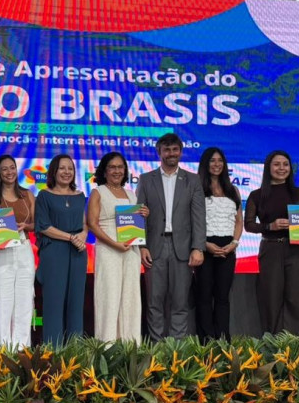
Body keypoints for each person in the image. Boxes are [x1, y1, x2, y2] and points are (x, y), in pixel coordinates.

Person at [136, 133, 206, 341]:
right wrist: (142, 246)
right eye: (166, 150)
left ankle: (177, 349)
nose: (171, 153)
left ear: (181, 152)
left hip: (183, 248)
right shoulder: (146, 179)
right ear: (159, 152)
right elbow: (139, 215)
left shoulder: (193, 180)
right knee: (154, 302)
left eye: (175, 149)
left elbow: (198, 216)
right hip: (154, 248)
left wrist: (198, 247)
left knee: (180, 302)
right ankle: (156, 349)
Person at [244, 150, 299, 335]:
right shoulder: (257, 195)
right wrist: (270, 226)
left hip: (297, 250)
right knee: (271, 297)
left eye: (285, 164)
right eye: (276, 164)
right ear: (268, 168)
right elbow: (248, 225)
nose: (281, 168)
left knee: (298, 297)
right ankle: (272, 341)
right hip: (270, 248)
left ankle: (297, 341)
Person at [87, 152, 148, 343]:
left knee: (131, 298)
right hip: (109, 249)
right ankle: (106, 345)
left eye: (120, 167)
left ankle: (131, 345)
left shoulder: (131, 194)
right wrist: (114, 244)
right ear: (104, 171)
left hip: (131, 250)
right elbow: (92, 224)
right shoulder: (98, 192)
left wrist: (144, 213)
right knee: (109, 297)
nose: (117, 171)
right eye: (112, 167)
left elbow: (136, 222)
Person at [34, 154, 87, 346]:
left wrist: (82, 236)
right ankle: (53, 352)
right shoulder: (44, 195)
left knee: (76, 303)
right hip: (54, 252)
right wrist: (71, 238)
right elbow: (44, 226)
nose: (66, 172)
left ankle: (75, 352)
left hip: (78, 253)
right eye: (62, 168)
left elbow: (84, 223)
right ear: (54, 171)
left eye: (70, 168)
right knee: (54, 303)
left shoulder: (80, 196)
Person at [0, 155, 36, 348]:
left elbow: (37, 224)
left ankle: (22, 352)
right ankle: (0, 353)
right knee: (1, 304)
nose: (9, 172)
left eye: (12, 167)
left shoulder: (27, 195)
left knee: (24, 303)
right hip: (2, 251)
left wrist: (26, 226)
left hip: (23, 249)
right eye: (4, 169)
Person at [194, 147, 242, 342]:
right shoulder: (197, 188)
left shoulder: (233, 190)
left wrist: (234, 243)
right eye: (212, 161)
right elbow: (191, 221)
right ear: (205, 164)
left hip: (228, 248)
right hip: (204, 246)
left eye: (220, 160)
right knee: (204, 296)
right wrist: (204, 244)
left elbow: (239, 221)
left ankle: (223, 340)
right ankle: (206, 340)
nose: (216, 164)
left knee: (223, 297)